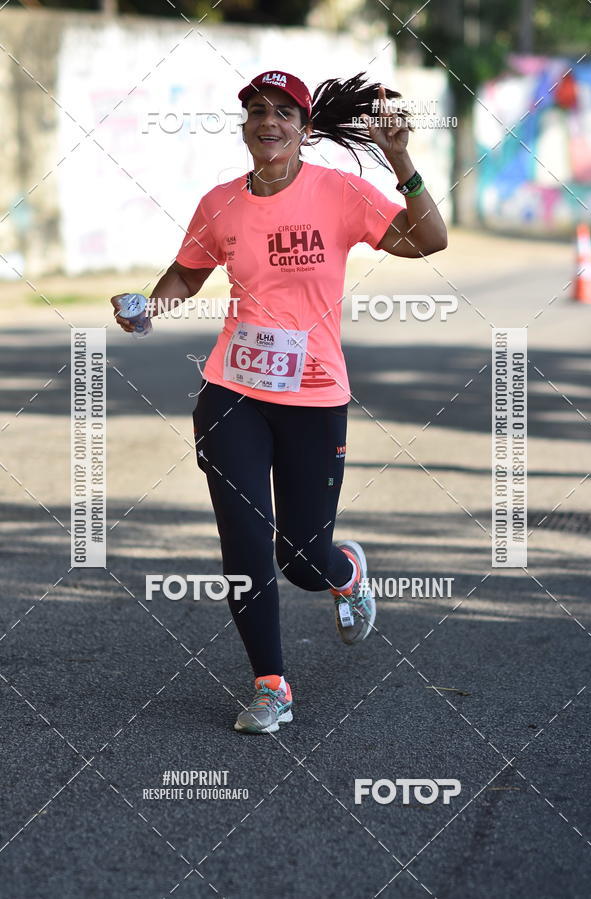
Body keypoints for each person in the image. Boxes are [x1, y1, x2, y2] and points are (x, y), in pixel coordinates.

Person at [112, 70, 447, 735]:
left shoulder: (339, 192)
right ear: (245, 126)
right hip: (232, 391)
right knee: (243, 538)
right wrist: (149, 306)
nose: (268, 121)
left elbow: (428, 239)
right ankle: (271, 685)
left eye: (284, 112)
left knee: (302, 561)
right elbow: (188, 272)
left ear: (305, 128)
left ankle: (344, 572)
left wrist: (402, 161)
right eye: (257, 111)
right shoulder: (220, 204)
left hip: (315, 397)